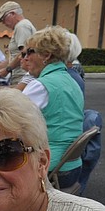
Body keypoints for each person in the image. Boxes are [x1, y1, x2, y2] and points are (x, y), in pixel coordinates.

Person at [21, 26, 84, 189]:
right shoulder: (71, 81)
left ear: (46, 55)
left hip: (52, 169)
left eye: (30, 52)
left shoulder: (40, 86)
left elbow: (10, 121)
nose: (25, 58)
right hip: (71, 165)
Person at [0, 1, 36, 85]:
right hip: (21, 75)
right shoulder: (22, 25)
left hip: (22, 75)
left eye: (3, 18)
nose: (3, 23)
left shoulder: (22, 26)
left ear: (13, 14)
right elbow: (15, 56)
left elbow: (24, 53)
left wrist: (7, 69)